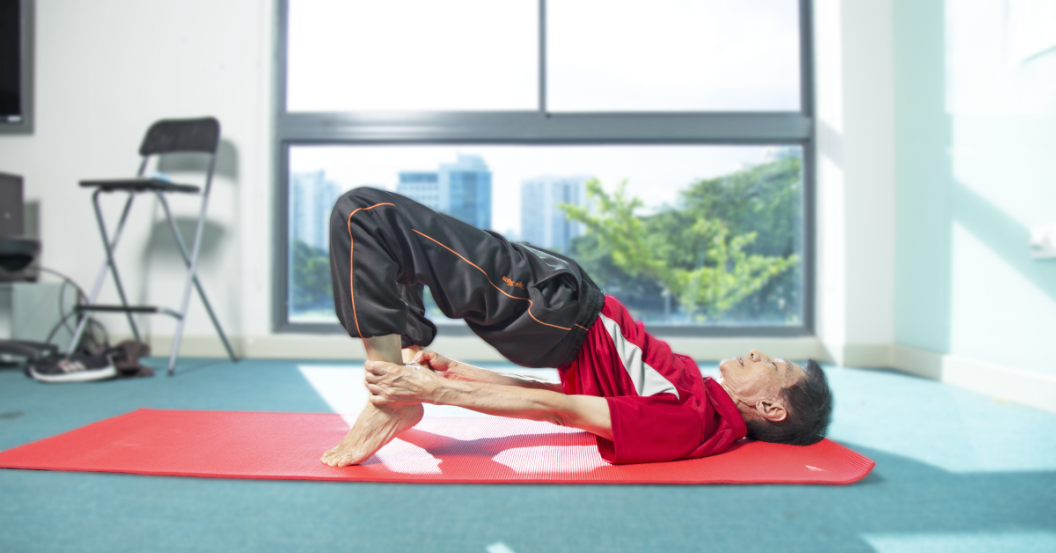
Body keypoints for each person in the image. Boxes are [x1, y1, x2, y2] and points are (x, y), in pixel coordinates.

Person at [320, 187, 832, 467]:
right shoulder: (702, 403)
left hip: (556, 310)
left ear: (770, 407)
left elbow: (559, 411)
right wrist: (458, 373)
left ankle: (390, 396)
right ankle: (398, 380)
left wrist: (433, 391)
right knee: (397, 249)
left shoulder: (691, 422)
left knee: (366, 216)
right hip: (559, 310)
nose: (760, 353)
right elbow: (563, 392)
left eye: (774, 366)